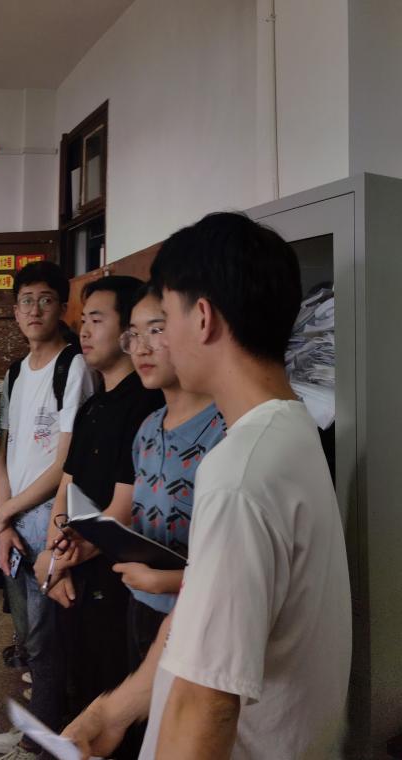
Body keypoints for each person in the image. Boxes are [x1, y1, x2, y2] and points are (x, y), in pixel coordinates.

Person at [62, 213, 347, 759]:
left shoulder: (237, 471)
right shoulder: (288, 429)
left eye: (164, 319)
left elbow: (207, 704)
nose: (156, 341)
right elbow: (198, 613)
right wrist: (114, 710)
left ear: (201, 318)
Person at [24, 275, 161, 755]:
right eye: (82, 320)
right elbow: (67, 485)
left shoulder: (146, 404)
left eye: (96, 320)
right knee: (79, 683)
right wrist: (52, 555)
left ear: (128, 330)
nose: (83, 330)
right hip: (75, 569)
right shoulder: (93, 406)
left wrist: (64, 558)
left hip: (118, 577)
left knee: (116, 699)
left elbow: (125, 503)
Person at [0, 261, 95, 759]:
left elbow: (67, 461)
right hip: (15, 518)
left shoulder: (73, 367)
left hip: (51, 516)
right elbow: (2, 449)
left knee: (49, 638)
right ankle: (43, 725)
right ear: (14, 310)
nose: (34, 309)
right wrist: (4, 518)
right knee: (27, 635)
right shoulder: (14, 372)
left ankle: (41, 743)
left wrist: (8, 511)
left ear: (62, 307)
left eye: (46, 299)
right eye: (26, 300)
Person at [117, 286, 223, 658]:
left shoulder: (224, 428)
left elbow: (237, 563)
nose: (141, 348)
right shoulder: (148, 427)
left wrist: (168, 581)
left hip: (200, 615)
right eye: (134, 335)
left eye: (156, 330)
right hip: (141, 602)